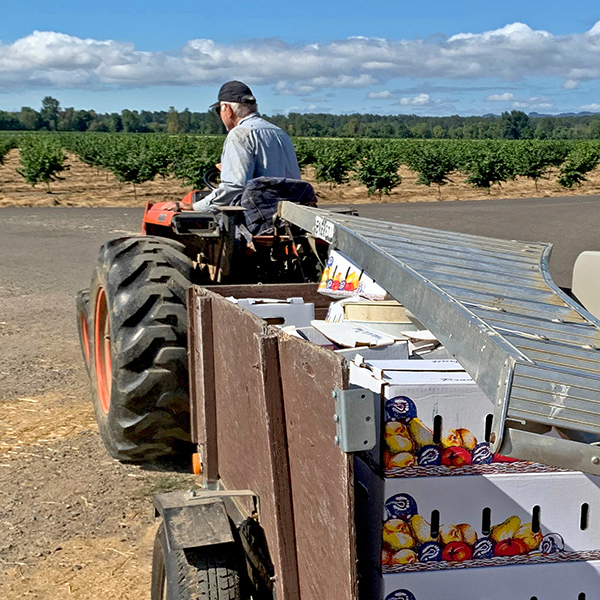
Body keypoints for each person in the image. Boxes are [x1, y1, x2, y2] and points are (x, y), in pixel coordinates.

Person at [167, 81, 301, 212]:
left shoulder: (240, 134)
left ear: (227, 109)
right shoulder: (279, 132)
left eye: (218, 110)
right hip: (290, 212)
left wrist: (196, 207)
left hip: (260, 216)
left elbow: (235, 187)